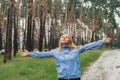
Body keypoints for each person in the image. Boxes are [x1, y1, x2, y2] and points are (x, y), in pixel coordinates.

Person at [20, 34, 111, 80]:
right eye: (62, 36)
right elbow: (41, 54)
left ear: (70, 40)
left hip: (74, 77)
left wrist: (102, 41)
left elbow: (89, 45)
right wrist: (30, 54)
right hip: (62, 78)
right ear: (60, 40)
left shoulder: (76, 49)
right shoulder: (55, 52)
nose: (64, 37)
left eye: (66, 37)